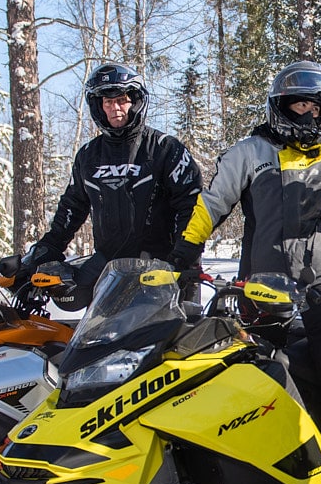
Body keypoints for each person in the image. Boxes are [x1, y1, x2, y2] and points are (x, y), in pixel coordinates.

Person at [170, 60, 321, 476]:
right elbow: (212, 204)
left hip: (320, 276)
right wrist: (181, 255)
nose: (308, 114)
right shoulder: (248, 153)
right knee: (261, 373)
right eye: (299, 106)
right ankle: (280, 465)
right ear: (280, 106)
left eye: (316, 109)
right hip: (262, 281)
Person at [12, 63, 203, 309]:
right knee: (96, 341)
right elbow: (70, 209)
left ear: (135, 101)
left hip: (162, 268)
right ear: (98, 106)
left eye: (121, 100)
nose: (115, 108)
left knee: (165, 343)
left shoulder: (165, 148)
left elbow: (192, 206)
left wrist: (182, 258)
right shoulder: (88, 156)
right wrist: (44, 251)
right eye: (107, 102)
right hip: (110, 269)